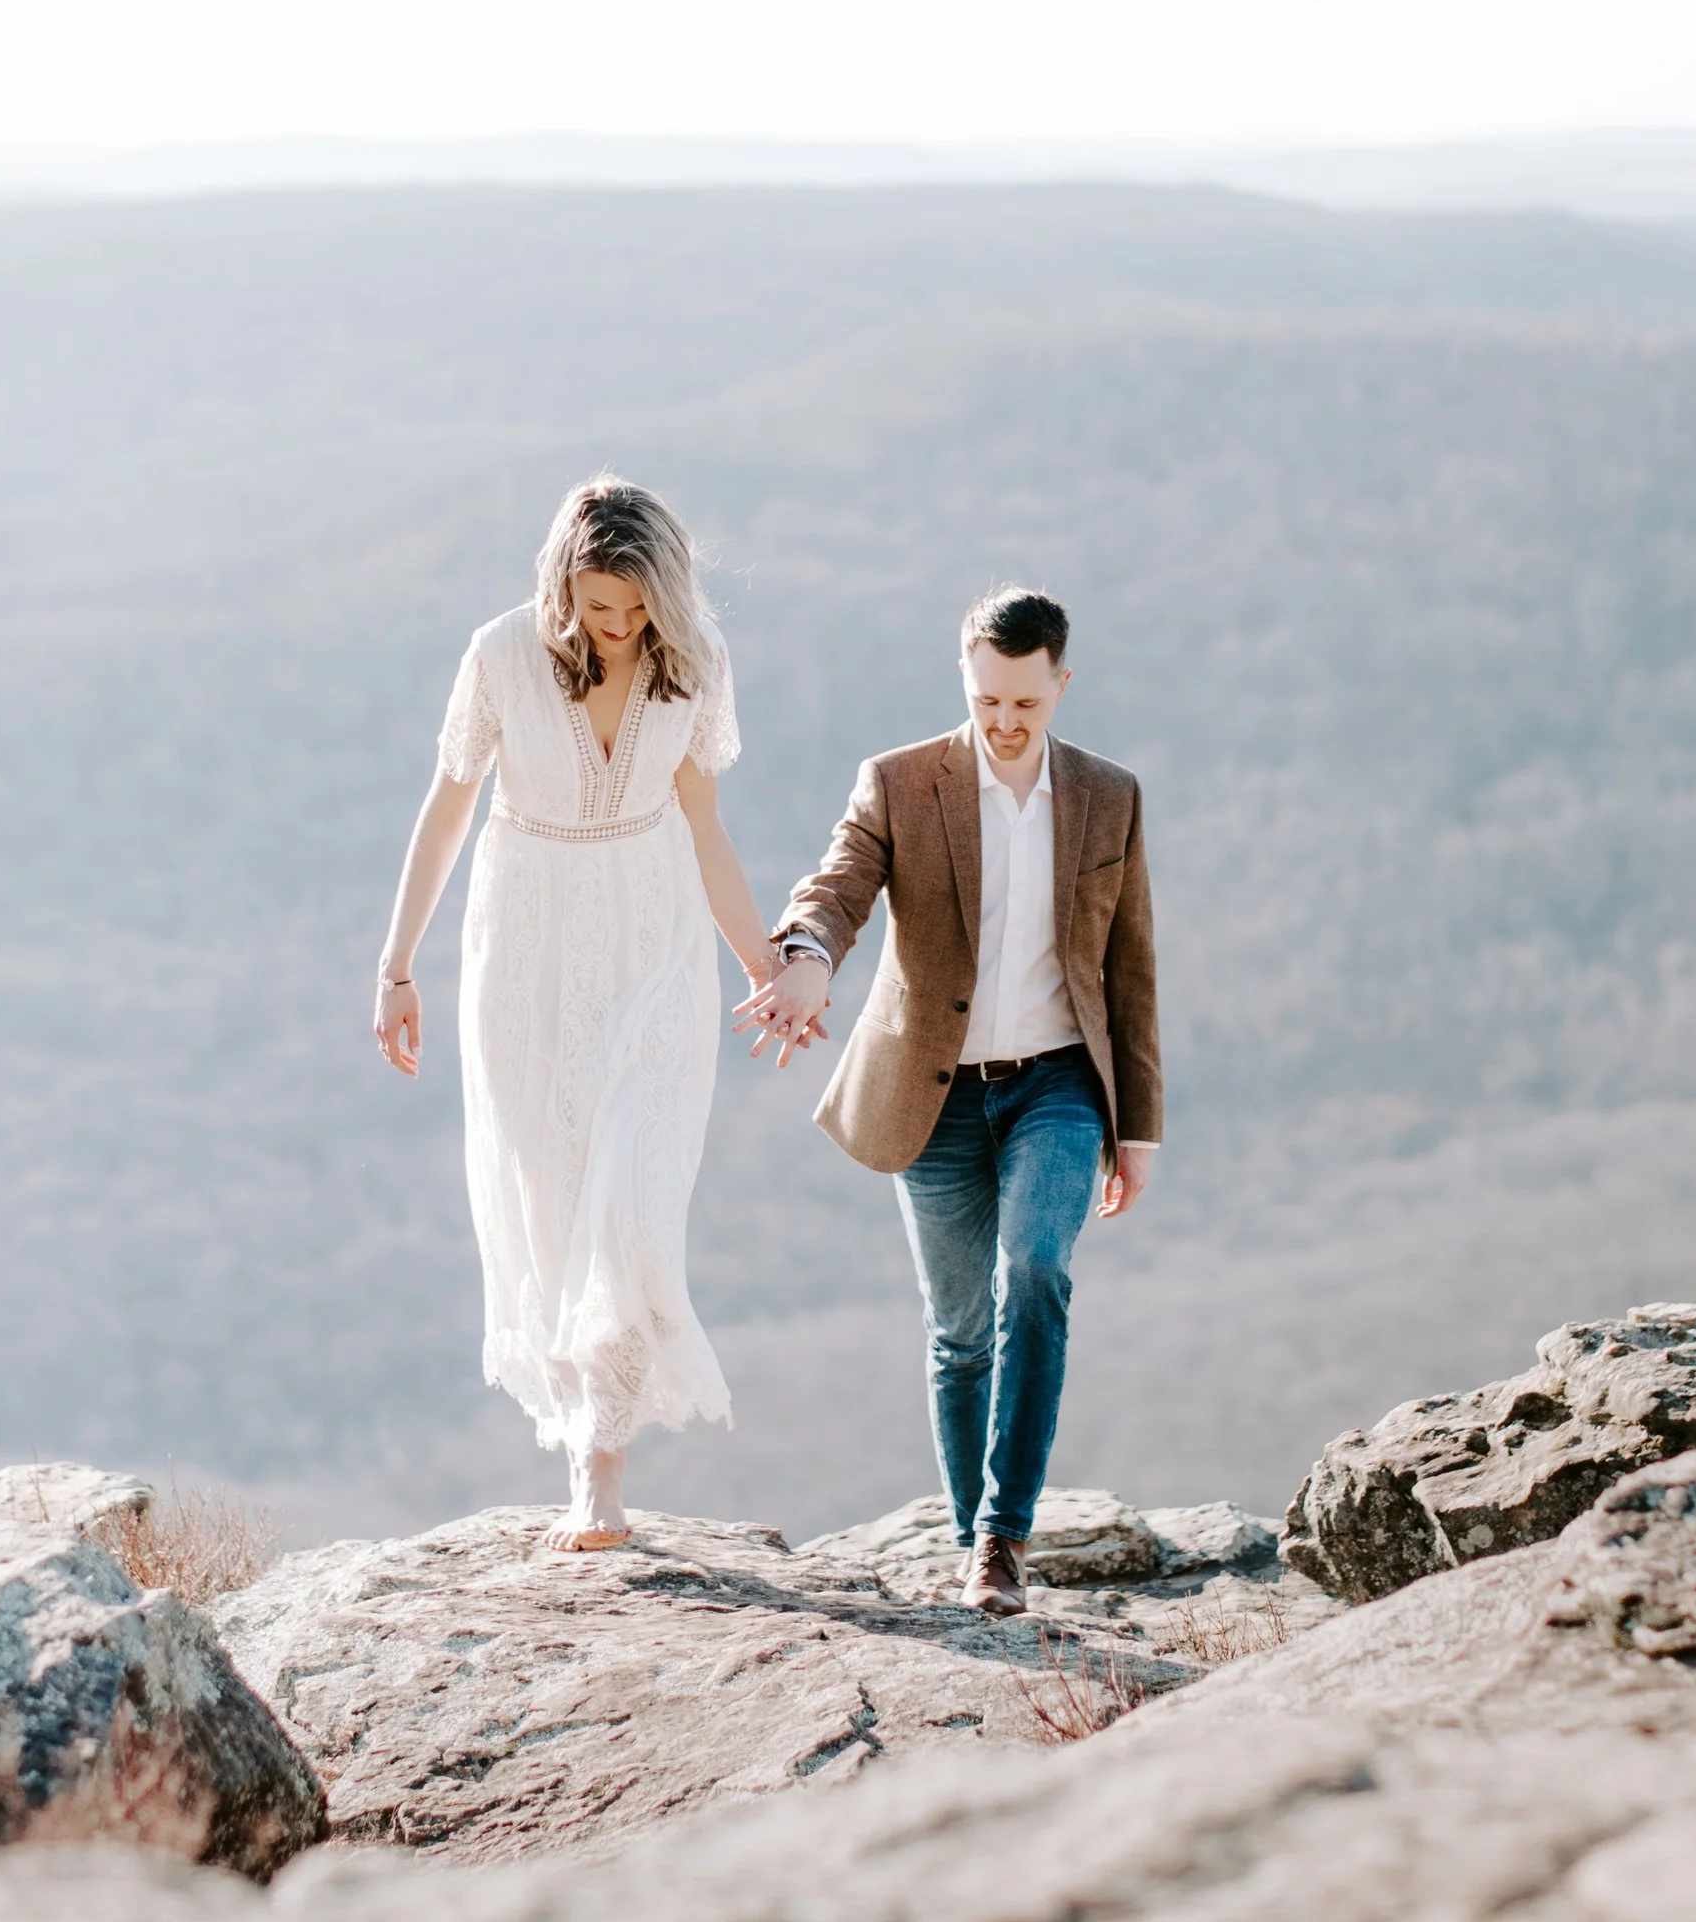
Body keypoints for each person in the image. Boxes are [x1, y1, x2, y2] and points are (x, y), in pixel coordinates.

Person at [737, 586, 1162, 1614]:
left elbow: (1130, 964)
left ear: (1061, 682)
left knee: (1039, 1274)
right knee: (961, 1330)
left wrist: (1136, 1125)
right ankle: (970, 1530)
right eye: (986, 702)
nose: (1005, 724)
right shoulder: (899, 783)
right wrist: (803, 958)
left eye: (1025, 702)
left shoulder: (1109, 796)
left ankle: (1002, 1543)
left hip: (1059, 1085)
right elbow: (835, 886)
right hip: (934, 1098)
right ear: (963, 682)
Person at [373, 477, 777, 1554]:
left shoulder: (694, 660)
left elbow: (706, 829)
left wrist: (766, 964)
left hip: (656, 948)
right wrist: (396, 963)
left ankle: (606, 1470)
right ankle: (582, 1470)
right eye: (603, 602)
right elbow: (448, 805)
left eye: (640, 605)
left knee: (633, 1209)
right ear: (563, 582)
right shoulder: (500, 654)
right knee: (554, 1207)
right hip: (526, 957)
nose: (622, 623)